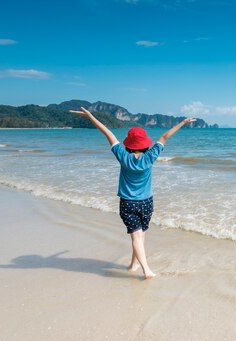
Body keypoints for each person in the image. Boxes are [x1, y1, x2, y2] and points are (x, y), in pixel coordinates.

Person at [69, 107, 196, 279]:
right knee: (140, 236)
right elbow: (165, 136)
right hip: (146, 202)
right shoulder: (150, 156)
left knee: (136, 237)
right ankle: (135, 265)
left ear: (128, 144)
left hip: (128, 203)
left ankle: (145, 270)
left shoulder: (123, 156)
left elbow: (108, 134)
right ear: (145, 144)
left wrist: (91, 116)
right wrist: (183, 122)